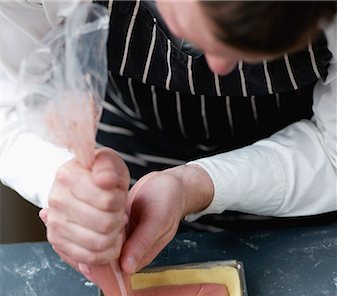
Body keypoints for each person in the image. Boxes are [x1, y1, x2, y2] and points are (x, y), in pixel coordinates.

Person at [0, 1, 336, 275]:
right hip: (129, 151)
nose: (221, 68)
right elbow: (7, 101)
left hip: (307, 180)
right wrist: (62, 183)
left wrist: (197, 184)